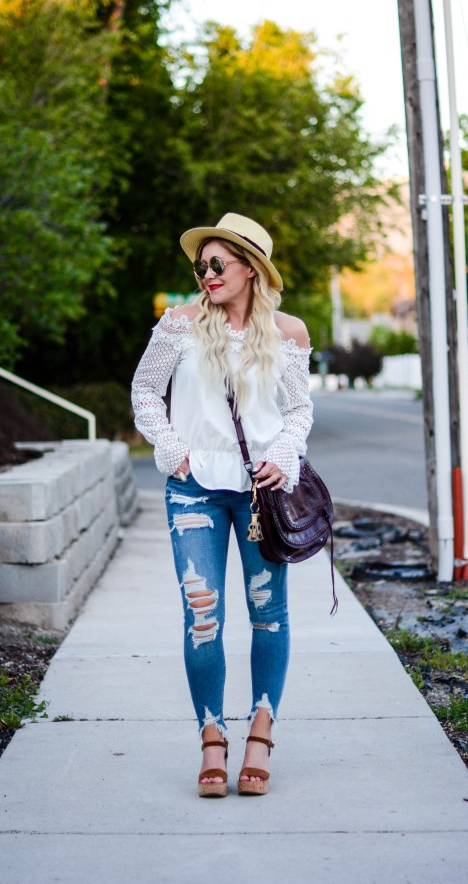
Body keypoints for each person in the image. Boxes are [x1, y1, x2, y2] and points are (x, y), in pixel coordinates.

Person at [131, 213, 313, 798]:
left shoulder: (288, 333)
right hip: (194, 489)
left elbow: (298, 410)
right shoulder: (179, 325)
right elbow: (144, 391)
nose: (206, 274)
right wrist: (173, 449)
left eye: (217, 263)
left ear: (251, 269)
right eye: (200, 265)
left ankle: (261, 731)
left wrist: (283, 454)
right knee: (202, 616)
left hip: (262, 493)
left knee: (268, 613)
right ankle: (212, 737)